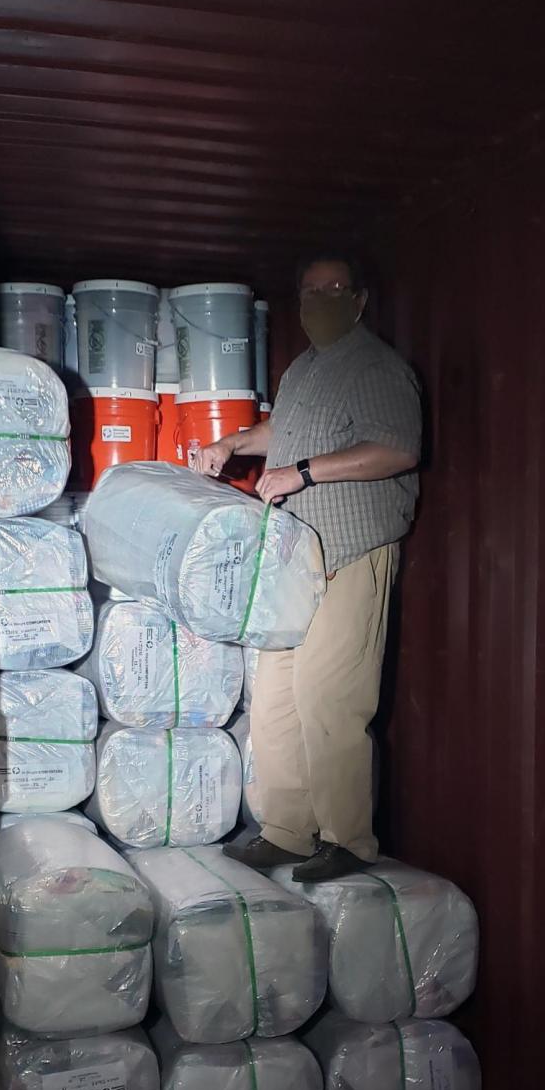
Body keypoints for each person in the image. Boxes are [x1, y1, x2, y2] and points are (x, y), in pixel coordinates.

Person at [192, 252, 421, 881]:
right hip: (295, 560)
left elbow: (398, 449)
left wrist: (305, 473)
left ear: (359, 299)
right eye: (309, 291)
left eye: (334, 289)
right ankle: (288, 831)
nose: (320, 300)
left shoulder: (377, 366)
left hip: (352, 550)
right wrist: (233, 442)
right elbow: (288, 430)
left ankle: (348, 840)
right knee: (272, 703)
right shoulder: (303, 370)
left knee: (331, 698)